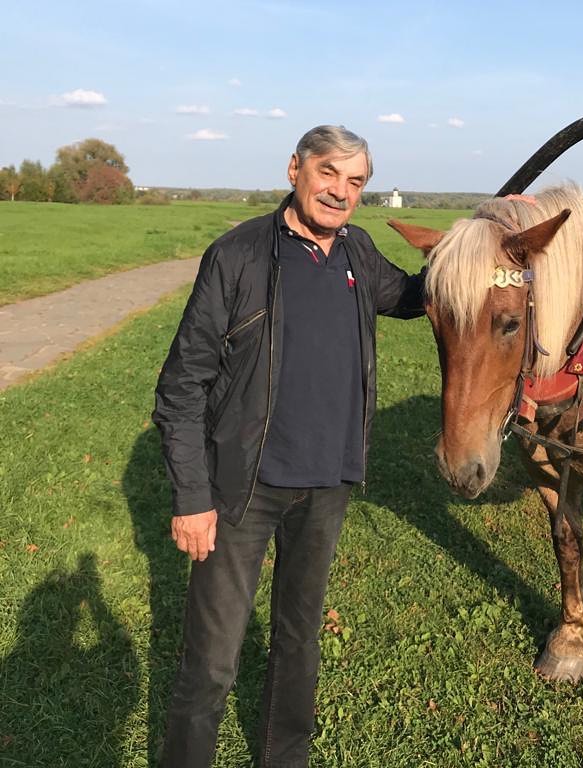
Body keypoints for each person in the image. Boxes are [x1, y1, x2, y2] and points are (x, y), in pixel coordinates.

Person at [152, 125, 425, 768]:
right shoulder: (239, 255)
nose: (341, 191)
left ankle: (285, 758)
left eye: (355, 181)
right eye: (328, 173)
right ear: (294, 170)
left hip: (327, 485)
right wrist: (193, 497)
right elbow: (182, 386)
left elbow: (413, 297)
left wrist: (478, 252)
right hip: (242, 490)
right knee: (213, 662)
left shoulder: (356, 252)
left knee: (299, 641)